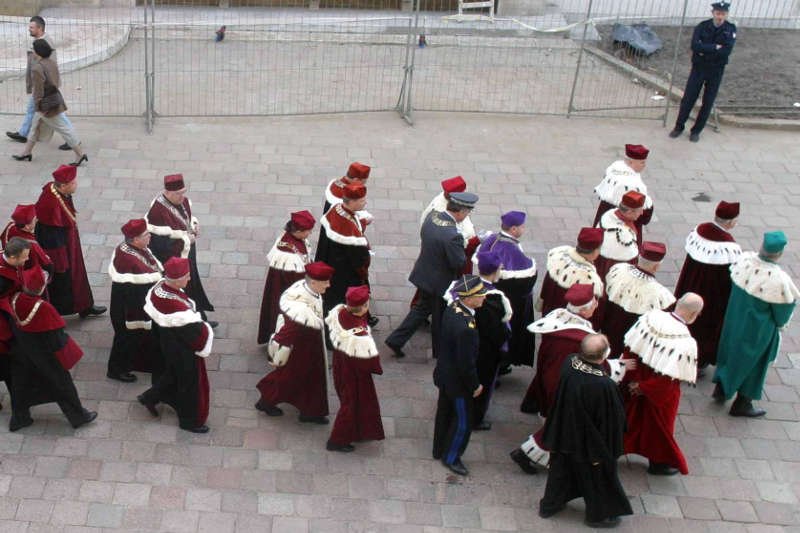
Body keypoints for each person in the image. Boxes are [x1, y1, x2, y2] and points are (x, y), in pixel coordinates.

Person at [537, 334, 632, 528]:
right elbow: (611, 420)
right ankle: (597, 516)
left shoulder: (570, 362)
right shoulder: (603, 385)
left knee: (560, 472)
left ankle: (551, 505)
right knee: (596, 478)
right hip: (589, 441)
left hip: (564, 431)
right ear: (604, 355)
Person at [714, 231, 798, 417]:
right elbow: (782, 313)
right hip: (758, 330)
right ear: (780, 253)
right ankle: (742, 403)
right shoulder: (779, 280)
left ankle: (721, 388)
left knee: (729, 351)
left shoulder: (744, 261)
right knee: (755, 364)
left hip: (734, 319)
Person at [384, 192, 477, 359]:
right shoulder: (453, 235)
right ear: (461, 211)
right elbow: (459, 262)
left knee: (422, 309)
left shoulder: (433, 217)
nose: (467, 216)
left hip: (425, 272)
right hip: (440, 281)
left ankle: (396, 340)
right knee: (439, 317)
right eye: (468, 212)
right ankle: (439, 352)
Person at [621, 294, 703, 476]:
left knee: (629, 419)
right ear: (693, 314)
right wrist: (645, 387)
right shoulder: (686, 342)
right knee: (659, 429)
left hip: (634, 380)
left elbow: (630, 348)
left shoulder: (650, 317)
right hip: (657, 393)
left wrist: (633, 380)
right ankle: (658, 463)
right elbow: (669, 379)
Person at [7, 265, 95, 431]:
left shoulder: (15, 298)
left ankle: (20, 418)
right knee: (62, 384)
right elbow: (56, 337)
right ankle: (79, 416)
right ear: (41, 288)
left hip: (23, 352)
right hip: (45, 355)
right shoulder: (44, 308)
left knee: (20, 385)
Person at [137, 257, 214, 433]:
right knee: (189, 382)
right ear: (177, 279)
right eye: (186, 276)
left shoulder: (159, 288)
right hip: (182, 347)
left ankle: (150, 397)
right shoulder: (176, 307)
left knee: (173, 373)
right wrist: (206, 333)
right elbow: (197, 333)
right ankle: (189, 421)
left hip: (168, 342)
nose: (189, 279)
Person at [255, 261, 334, 424]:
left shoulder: (304, 288)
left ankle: (310, 411)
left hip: (310, 347)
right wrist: (276, 354)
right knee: (291, 378)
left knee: (306, 379)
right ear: (313, 282)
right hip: (301, 351)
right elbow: (287, 332)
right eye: (325, 282)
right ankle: (267, 401)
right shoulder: (300, 310)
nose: (328, 285)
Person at [444, 250, 511, 430]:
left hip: (461, 348)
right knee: (481, 384)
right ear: (495, 271)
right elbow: (498, 333)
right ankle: (475, 418)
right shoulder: (495, 300)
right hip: (484, 352)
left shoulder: (462, 287)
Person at [674, 201, 741, 375]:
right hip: (711, 296)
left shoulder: (699, 231)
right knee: (705, 326)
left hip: (690, 285)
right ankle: (699, 359)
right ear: (731, 222)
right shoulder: (729, 246)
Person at [432, 275, 486, 476]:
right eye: (480, 294)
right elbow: (466, 364)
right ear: (468, 298)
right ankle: (451, 456)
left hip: (444, 375)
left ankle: (438, 448)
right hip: (458, 383)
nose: (484, 297)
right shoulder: (467, 328)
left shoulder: (453, 308)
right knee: (463, 422)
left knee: (444, 413)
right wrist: (475, 385)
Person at [34, 165, 105, 317]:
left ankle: (85, 305)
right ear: (64, 185)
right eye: (73, 183)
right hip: (60, 251)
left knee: (78, 275)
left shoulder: (57, 191)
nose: (76, 184)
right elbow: (51, 236)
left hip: (68, 242)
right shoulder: (51, 205)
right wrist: (61, 262)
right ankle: (57, 315)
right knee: (63, 282)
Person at [146, 174, 215, 326]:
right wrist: (186, 240)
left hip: (187, 252)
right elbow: (160, 245)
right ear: (168, 192)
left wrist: (194, 225)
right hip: (174, 260)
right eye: (178, 193)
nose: (182, 197)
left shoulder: (181, 201)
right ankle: (194, 320)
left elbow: (186, 218)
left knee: (193, 282)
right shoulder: (157, 212)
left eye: (183, 192)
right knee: (184, 288)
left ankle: (200, 316)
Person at [325, 285, 384, 452]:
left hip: (341, 363)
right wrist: (377, 368)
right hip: (355, 373)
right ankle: (337, 440)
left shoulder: (341, 313)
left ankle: (357, 430)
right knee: (350, 404)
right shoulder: (360, 334)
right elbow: (369, 359)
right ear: (364, 307)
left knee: (351, 401)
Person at [476, 210, 537, 370]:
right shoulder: (511, 251)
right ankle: (502, 363)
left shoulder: (492, 239)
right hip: (508, 299)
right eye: (522, 227)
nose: (524, 230)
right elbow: (527, 280)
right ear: (514, 229)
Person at [11, 38, 87, 166]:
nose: (32, 52)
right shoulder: (51, 63)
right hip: (54, 99)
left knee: (63, 129)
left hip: (45, 106)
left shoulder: (37, 68)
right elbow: (56, 82)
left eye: (33, 50)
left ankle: (80, 154)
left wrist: (38, 105)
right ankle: (26, 152)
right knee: (35, 127)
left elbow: (38, 91)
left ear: (38, 52)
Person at [669, 2, 737, 142]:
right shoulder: (702, 26)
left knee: (708, 101)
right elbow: (695, 46)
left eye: (723, 14)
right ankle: (679, 126)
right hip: (699, 68)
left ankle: (696, 131)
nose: (720, 16)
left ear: (726, 14)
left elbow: (726, 50)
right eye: (718, 13)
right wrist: (715, 47)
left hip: (716, 70)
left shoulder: (730, 29)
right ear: (713, 13)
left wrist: (705, 49)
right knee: (689, 98)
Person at [107, 219, 163, 383]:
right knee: (124, 339)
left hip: (134, 303)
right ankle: (116, 370)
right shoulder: (129, 260)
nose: (150, 236)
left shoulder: (134, 248)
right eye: (146, 234)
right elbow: (137, 289)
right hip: (129, 309)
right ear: (136, 239)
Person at [6, 16, 72, 151]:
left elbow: (50, 67)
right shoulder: (38, 41)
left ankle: (72, 140)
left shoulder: (46, 43)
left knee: (57, 114)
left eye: (31, 27)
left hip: (45, 87)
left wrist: (45, 86)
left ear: (40, 29)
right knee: (31, 109)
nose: (29, 29)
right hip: (39, 85)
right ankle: (23, 134)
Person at [601, 241, 675, 358]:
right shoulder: (662, 296)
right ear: (656, 267)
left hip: (607, 332)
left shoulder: (617, 270)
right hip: (631, 344)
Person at [257, 210, 315, 345]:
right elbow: (297, 279)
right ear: (299, 231)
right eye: (308, 231)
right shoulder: (288, 254)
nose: (310, 234)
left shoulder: (292, 239)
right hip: (287, 292)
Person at [316, 183, 371, 317]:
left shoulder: (336, 209)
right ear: (352, 202)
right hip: (345, 275)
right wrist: (363, 272)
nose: (365, 202)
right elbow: (359, 261)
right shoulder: (349, 233)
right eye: (362, 200)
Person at [315, 163, 372, 277]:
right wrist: (364, 221)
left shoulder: (336, 186)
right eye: (363, 181)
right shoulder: (345, 199)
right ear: (355, 179)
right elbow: (350, 226)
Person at [538, 227, 604, 318]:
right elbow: (586, 311)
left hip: (549, 311)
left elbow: (546, 284)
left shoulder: (558, 256)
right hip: (566, 320)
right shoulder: (589, 280)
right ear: (595, 252)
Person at [419, 176, 481, 274]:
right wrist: (475, 241)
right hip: (452, 257)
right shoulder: (447, 216)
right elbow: (458, 245)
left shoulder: (444, 199)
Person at [0, 237, 32, 411]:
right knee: (8, 368)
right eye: (24, 257)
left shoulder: (8, 265)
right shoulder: (2, 279)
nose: (26, 260)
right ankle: (19, 405)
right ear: (12, 257)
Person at [592, 144, 653, 231]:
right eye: (642, 162)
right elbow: (644, 214)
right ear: (631, 162)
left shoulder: (614, 167)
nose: (644, 165)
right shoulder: (633, 184)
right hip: (625, 222)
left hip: (604, 213)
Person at [595, 190, 646, 280]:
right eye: (640, 210)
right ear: (629, 212)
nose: (642, 213)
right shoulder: (623, 238)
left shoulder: (608, 216)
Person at [1, 204, 54, 278]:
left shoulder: (10, 226)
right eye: (34, 219)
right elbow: (47, 265)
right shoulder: (32, 244)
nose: (37, 220)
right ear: (27, 226)